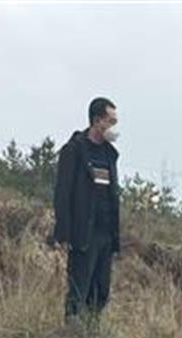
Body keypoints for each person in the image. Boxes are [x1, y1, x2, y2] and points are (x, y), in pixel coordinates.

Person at [53, 97, 120, 321]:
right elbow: (62, 195)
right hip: (83, 234)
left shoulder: (110, 154)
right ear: (97, 120)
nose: (113, 128)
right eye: (110, 122)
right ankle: (72, 337)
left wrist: (115, 236)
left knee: (101, 291)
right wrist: (64, 234)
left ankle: (92, 337)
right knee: (79, 288)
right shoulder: (74, 150)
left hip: (106, 234)